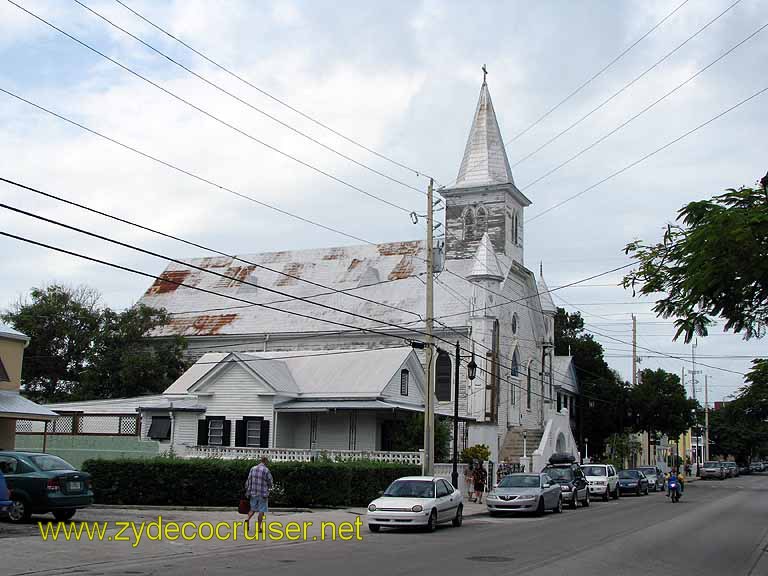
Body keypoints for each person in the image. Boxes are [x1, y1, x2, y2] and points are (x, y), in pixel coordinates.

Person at [244, 456, 273, 532]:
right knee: (261, 510)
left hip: (253, 492)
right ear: (265, 461)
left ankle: (247, 519)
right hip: (262, 493)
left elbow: (248, 480)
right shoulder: (266, 470)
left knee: (252, 509)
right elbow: (270, 481)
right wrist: (270, 487)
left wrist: (248, 490)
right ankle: (259, 527)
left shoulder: (253, 468)